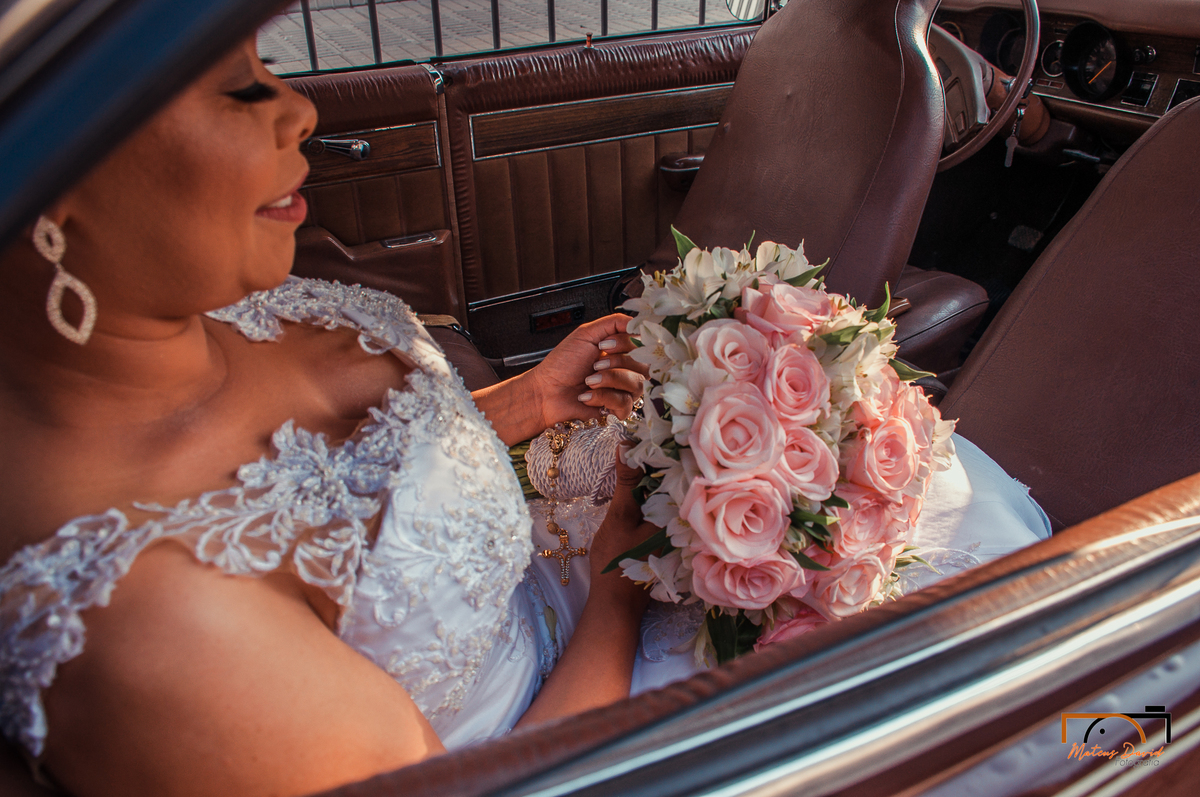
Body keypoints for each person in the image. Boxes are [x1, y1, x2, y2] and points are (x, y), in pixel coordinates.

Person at [0, 31, 1052, 797]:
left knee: (925, 508)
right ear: (49, 178)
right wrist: (618, 576)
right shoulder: (152, 630)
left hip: (548, 569)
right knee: (1012, 659)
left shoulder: (195, 301)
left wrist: (523, 400)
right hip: (572, 718)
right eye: (236, 88)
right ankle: (1136, 732)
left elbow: (339, 484)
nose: (299, 110)